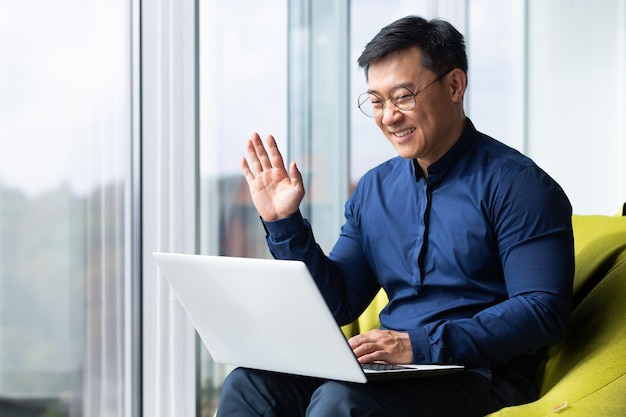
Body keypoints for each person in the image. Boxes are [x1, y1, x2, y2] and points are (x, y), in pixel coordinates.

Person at [217, 15, 574, 417]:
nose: (388, 116)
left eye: (403, 96)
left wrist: (417, 344)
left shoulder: (518, 185)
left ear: (455, 85)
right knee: (249, 384)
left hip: (479, 376)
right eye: (376, 101)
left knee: (341, 401)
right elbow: (339, 302)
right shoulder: (374, 190)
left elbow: (542, 310)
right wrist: (285, 222)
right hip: (392, 371)